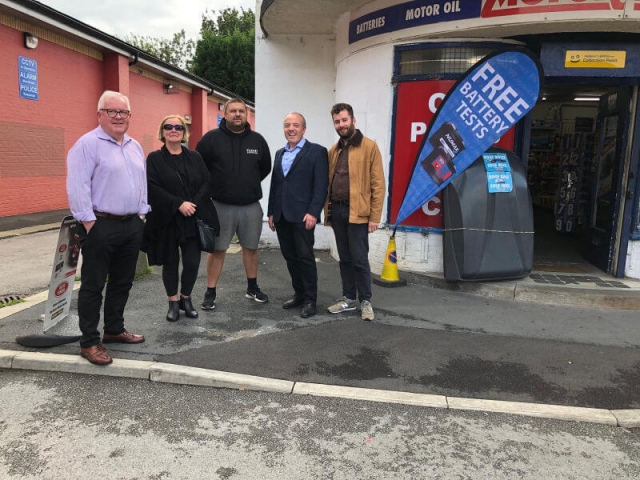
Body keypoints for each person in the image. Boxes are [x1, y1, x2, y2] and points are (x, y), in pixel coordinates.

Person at [66, 90, 148, 366]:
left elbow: (142, 183)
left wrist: (141, 213)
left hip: (131, 225)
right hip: (100, 224)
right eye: (111, 111)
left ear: (129, 116)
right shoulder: (86, 145)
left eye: (123, 112)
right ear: (99, 114)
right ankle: (89, 341)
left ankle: (113, 329)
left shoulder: (134, 146)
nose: (118, 117)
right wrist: (90, 223)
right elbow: (78, 188)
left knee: (123, 281)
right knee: (93, 285)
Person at [196, 98, 272, 310]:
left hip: (250, 206)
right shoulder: (211, 139)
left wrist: (246, 185)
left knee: (251, 248)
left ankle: (252, 287)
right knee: (218, 250)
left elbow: (265, 167)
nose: (237, 114)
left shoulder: (257, 140)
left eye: (241, 111)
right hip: (220, 205)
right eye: (233, 111)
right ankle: (210, 292)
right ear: (225, 114)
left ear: (246, 114)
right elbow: (199, 167)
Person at [141, 115, 219, 323]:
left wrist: (192, 204)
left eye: (178, 127)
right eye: (169, 127)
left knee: (192, 262)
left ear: (184, 132)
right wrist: (178, 203)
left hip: (192, 218)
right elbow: (152, 186)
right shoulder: (154, 159)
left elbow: (206, 182)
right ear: (163, 131)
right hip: (167, 219)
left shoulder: (195, 157)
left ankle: (186, 298)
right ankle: (173, 302)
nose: (173, 130)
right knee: (170, 263)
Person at [325, 103, 386, 321]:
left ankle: (366, 301)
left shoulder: (369, 147)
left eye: (344, 120)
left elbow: (378, 184)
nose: (341, 125)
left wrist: (374, 217)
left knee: (359, 258)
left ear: (353, 120)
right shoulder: (333, 150)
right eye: (337, 122)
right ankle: (349, 299)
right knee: (344, 259)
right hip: (338, 211)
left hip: (358, 213)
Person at [268, 112, 329, 318]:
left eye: (295, 125)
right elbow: (276, 185)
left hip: (303, 215)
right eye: (287, 125)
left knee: (305, 258)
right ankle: (299, 294)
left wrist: (313, 212)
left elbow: (320, 186)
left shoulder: (317, 152)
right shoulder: (279, 153)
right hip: (281, 215)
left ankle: (311, 300)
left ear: (303, 129)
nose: (291, 129)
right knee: (290, 257)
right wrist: (270, 212)